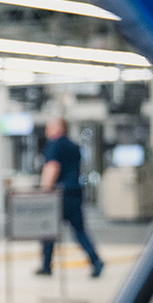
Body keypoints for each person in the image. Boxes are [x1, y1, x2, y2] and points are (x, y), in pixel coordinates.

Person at [37, 116, 105, 278]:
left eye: (50, 126)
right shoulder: (74, 145)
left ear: (59, 128)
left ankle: (46, 266)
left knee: (48, 230)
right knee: (79, 231)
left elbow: (52, 167)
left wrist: (44, 190)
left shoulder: (54, 144)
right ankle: (95, 261)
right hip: (75, 192)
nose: (47, 129)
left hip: (59, 194)